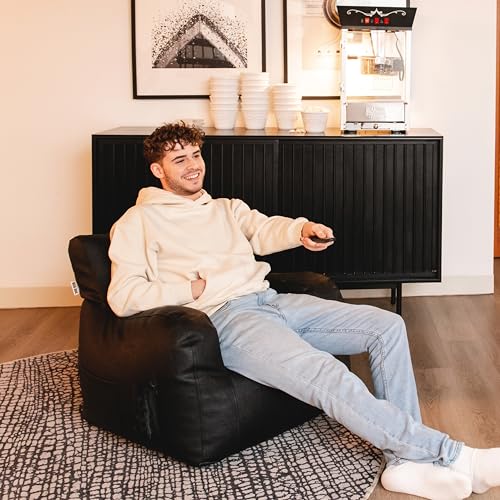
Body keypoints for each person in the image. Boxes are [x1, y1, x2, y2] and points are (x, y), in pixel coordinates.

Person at [107, 122, 499, 500]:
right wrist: (194, 289)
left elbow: (264, 229)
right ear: (158, 170)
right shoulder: (138, 221)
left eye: (196, 155)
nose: (193, 165)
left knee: (387, 326)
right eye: (179, 160)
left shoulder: (225, 208)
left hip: (270, 301)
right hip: (227, 319)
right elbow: (123, 295)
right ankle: (455, 456)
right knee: (325, 372)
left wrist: (301, 229)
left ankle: (403, 462)